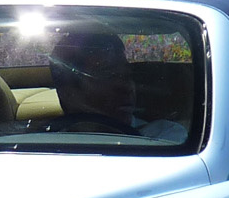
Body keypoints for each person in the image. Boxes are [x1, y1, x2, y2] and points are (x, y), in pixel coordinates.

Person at [47, 22, 187, 142]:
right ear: (69, 91)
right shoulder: (38, 142)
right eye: (108, 76)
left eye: (128, 76)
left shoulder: (164, 137)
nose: (126, 88)